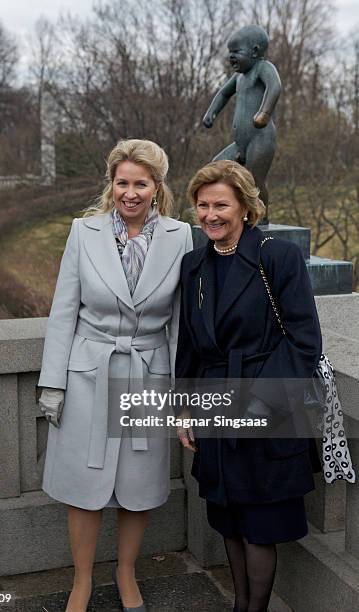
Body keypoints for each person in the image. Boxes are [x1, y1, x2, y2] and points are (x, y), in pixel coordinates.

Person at [38, 139, 192, 612]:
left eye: (140, 183)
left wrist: (181, 395)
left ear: (156, 187)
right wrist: (53, 384)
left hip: (148, 373)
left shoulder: (180, 235)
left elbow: (181, 323)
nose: (130, 192)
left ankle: (126, 573)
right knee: (84, 486)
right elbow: (63, 312)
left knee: (138, 485)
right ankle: (81, 581)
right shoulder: (83, 232)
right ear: (112, 184)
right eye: (122, 182)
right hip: (90, 371)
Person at [175, 160, 322, 612]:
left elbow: (304, 341)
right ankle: (241, 605)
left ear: (244, 207)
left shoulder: (277, 256)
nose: (210, 215)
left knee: (259, 521)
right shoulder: (194, 263)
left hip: (266, 407)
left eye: (221, 204)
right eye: (203, 205)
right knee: (230, 518)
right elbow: (190, 344)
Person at [203, 25, 281, 216]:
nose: (231, 57)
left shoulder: (263, 68)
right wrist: (211, 113)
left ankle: (260, 217)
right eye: (230, 52)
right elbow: (223, 93)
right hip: (240, 143)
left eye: (236, 52)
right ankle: (229, 209)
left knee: (255, 179)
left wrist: (264, 113)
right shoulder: (239, 77)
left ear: (254, 51)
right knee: (216, 168)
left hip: (261, 138)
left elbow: (275, 87)